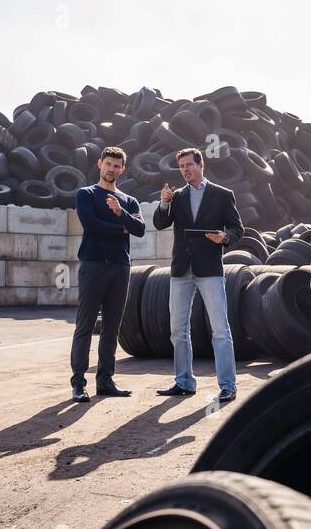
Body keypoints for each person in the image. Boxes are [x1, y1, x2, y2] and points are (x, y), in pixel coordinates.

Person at [151, 146, 243, 401]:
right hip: (181, 269)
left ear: (200, 165)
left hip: (210, 269)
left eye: (189, 165)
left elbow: (238, 229)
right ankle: (184, 382)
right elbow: (160, 224)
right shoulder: (177, 196)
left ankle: (227, 385)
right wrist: (164, 203)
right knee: (177, 329)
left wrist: (224, 237)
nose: (185, 170)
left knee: (220, 330)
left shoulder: (223, 195)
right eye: (181, 167)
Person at [69, 146, 145, 402]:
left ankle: (105, 381)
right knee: (85, 326)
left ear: (123, 169)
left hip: (121, 267)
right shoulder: (86, 194)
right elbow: (91, 225)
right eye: (108, 164)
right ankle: (79, 383)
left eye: (117, 166)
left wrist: (120, 214)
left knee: (112, 328)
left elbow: (140, 229)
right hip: (93, 265)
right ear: (100, 164)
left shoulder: (129, 201)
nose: (112, 169)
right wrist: (122, 228)